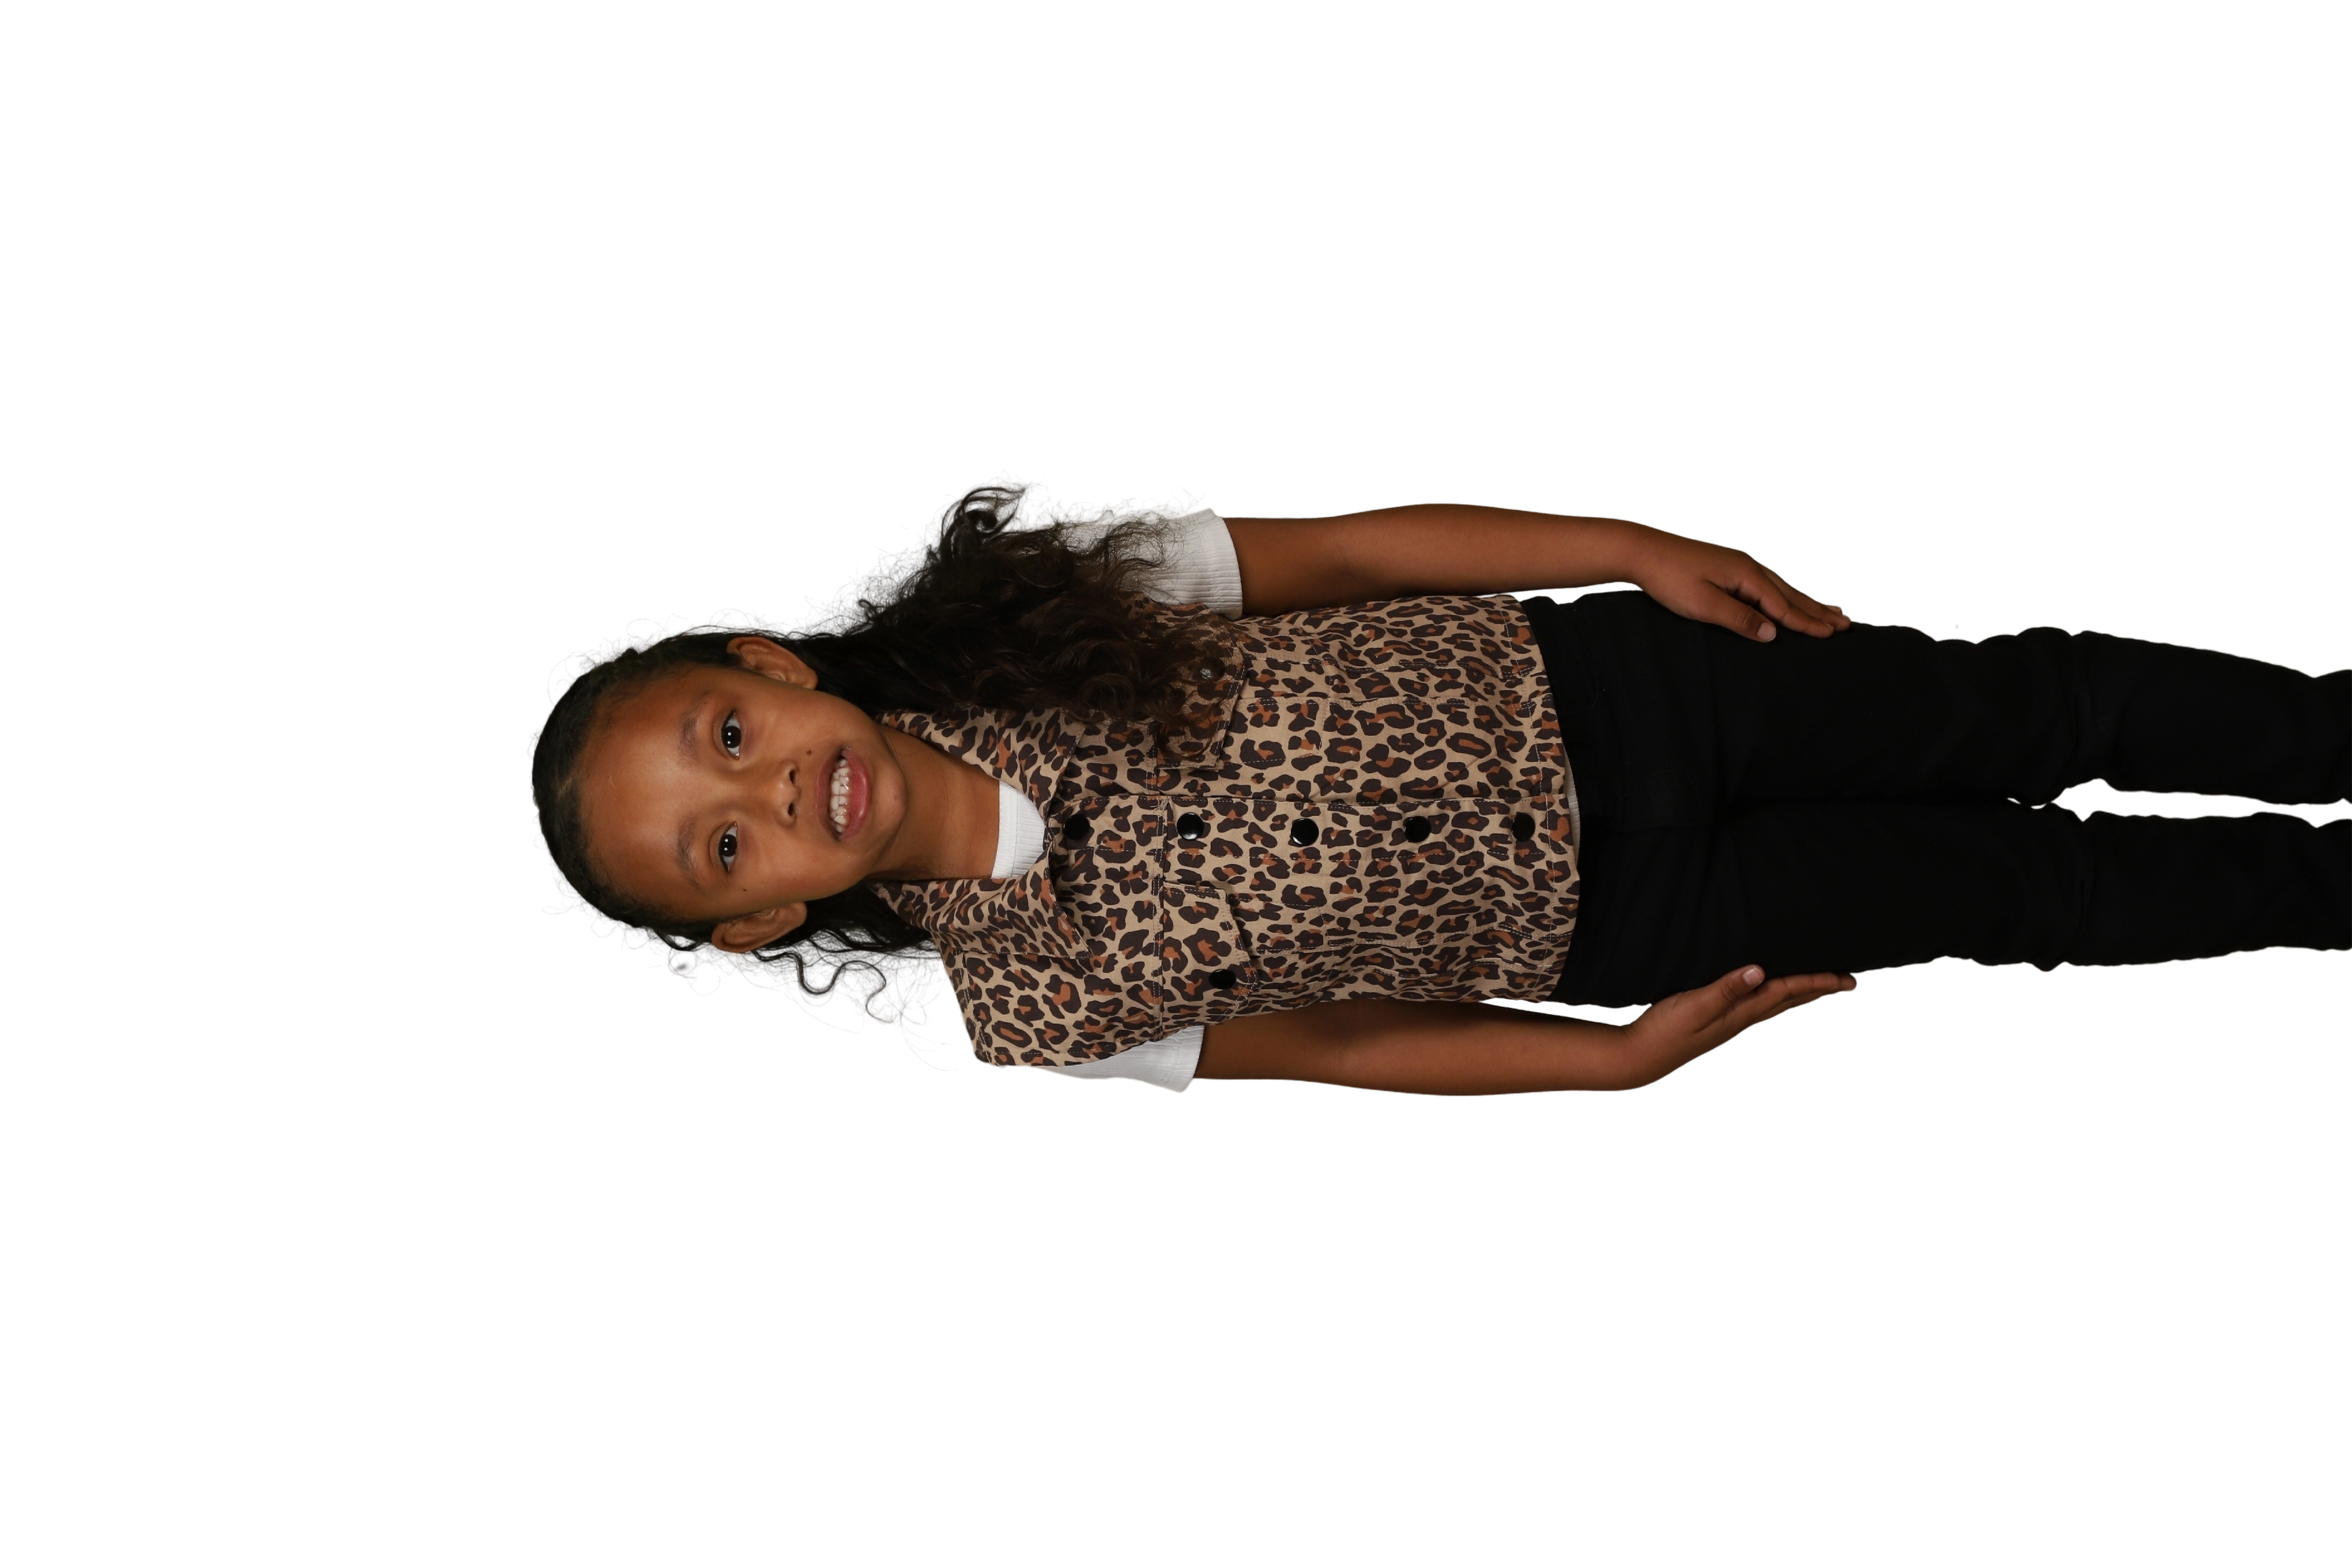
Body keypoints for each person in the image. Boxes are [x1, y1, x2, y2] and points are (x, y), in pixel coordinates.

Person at [521, 466, 2352, 1097]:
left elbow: (1349, 554)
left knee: (2034, 709)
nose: (773, 797)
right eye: (723, 847)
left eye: (729, 740)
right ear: (759, 921)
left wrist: (1622, 549)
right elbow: (1341, 1044)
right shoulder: (1022, 1018)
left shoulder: (1029, 606)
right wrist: (1608, 1061)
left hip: (1628, 699)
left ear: (770, 668)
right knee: (2031, 897)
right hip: (1626, 921)